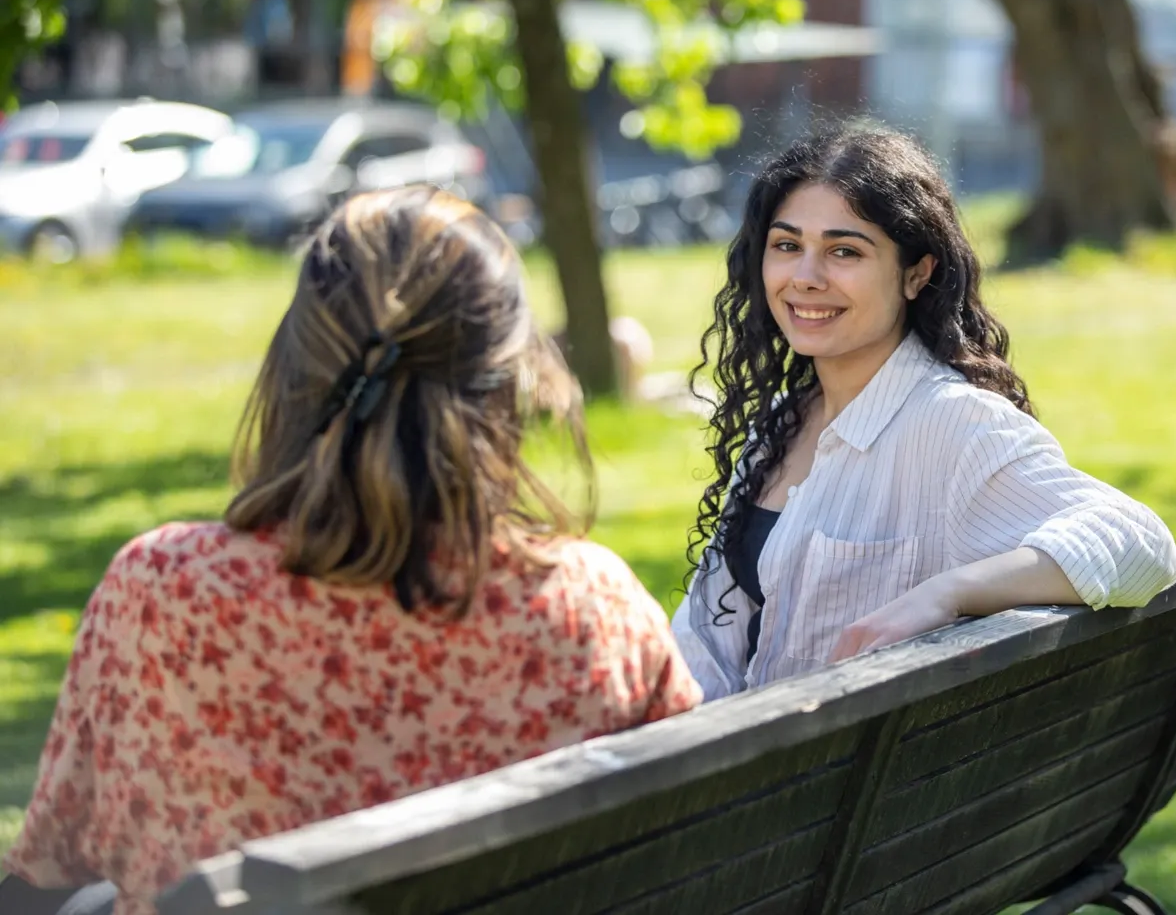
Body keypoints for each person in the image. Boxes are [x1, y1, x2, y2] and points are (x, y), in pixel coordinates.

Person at [1, 187, 702, 915]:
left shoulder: (165, 592)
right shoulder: (596, 606)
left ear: (297, 366)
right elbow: (697, 840)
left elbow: (49, 869)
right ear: (510, 378)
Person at [673, 126, 1176, 700]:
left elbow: (1143, 544)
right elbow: (707, 643)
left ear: (917, 273)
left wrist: (946, 593)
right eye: (787, 245)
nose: (806, 277)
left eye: (845, 251)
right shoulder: (780, 423)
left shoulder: (953, 425)